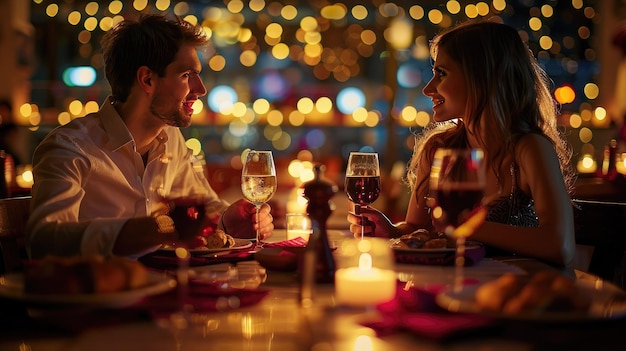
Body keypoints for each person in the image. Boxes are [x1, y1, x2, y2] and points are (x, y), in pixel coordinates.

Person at [26, 14, 274, 259]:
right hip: (101, 295)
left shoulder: (171, 139)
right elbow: (44, 239)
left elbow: (204, 210)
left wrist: (227, 221)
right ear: (147, 79)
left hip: (167, 289)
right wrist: (143, 232)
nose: (200, 89)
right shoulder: (70, 148)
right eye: (186, 75)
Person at [347, 19, 576, 267]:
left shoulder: (528, 149)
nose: (427, 88)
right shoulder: (439, 148)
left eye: (441, 74)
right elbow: (417, 227)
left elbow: (559, 246)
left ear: (481, 77)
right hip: (451, 287)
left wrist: (468, 226)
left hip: (516, 296)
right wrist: (391, 231)